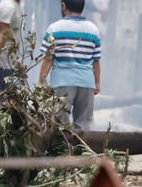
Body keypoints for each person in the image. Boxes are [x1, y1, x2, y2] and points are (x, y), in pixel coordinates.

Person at [39, 0, 101, 131]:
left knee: (60, 127)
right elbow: (96, 60)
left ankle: (64, 151)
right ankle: (81, 149)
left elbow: (48, 59)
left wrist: (41, 81)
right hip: (86, 83)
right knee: (83, 127)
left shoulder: (54, 29)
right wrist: (97, 83)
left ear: (63, 6)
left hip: (62, 83)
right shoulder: (94, 30)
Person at [0, 0, 23, 94]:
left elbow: (14, 37)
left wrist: (18, 62)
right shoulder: (9, 6)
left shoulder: (16, 6)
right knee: (0, 104)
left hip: (7, 64)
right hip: (0, 65)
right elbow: (2, 35)